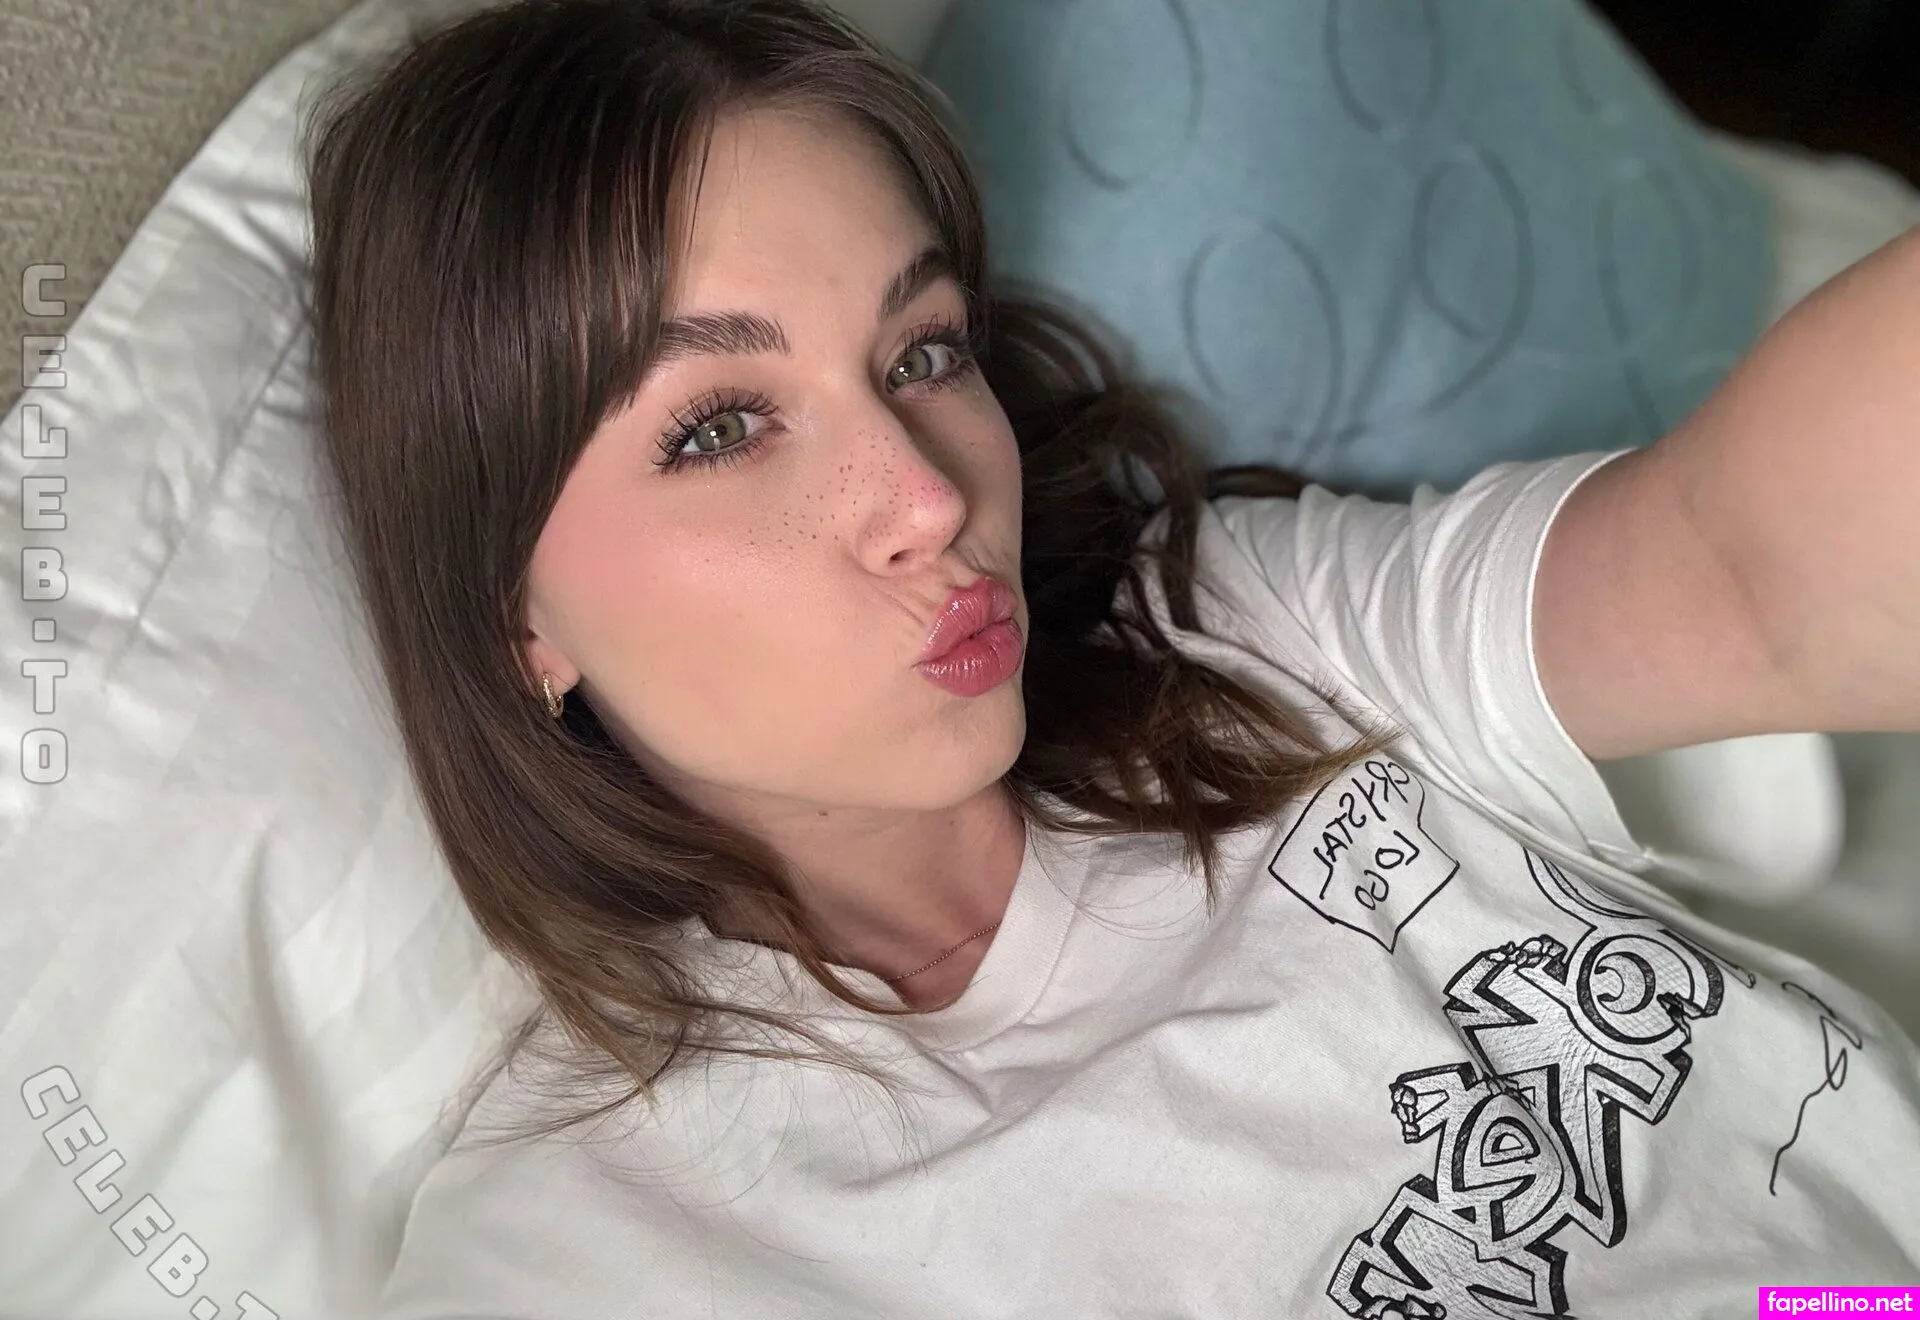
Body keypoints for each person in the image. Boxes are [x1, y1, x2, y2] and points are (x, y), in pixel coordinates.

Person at [302, 0, 1920, 1315]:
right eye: (722, 426)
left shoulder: (1242, 640)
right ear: (515, 615)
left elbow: (1742, 576)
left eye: (922, 352)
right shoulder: (594, 1254)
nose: (930, 498)